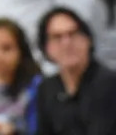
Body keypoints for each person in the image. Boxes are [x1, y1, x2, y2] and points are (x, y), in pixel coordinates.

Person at [35, 7, 116, 135]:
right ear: (46, 48)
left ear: (87, 39)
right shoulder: (46, 89)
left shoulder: (109, 84)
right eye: (57, 37)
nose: (67, 43)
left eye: (73, 34)